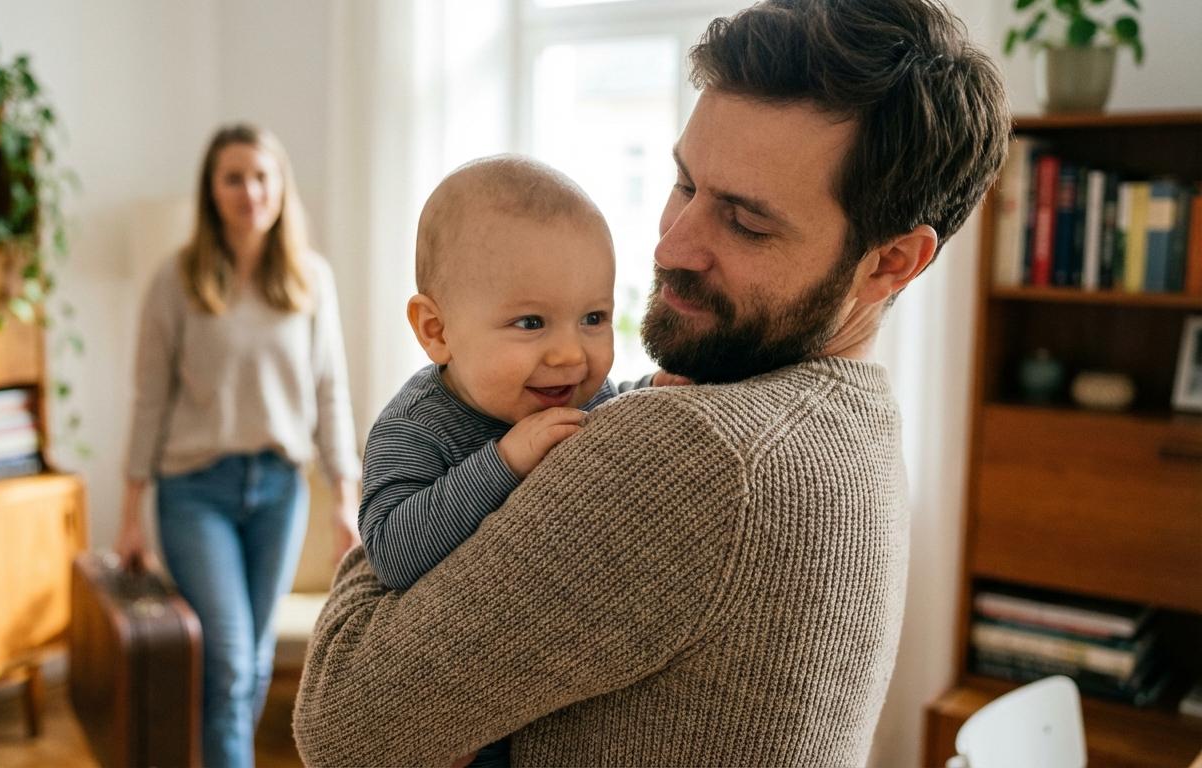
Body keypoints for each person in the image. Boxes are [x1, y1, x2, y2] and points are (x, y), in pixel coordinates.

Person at [292, 0, 1010, 765]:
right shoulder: (855, 419)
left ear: (891, 262)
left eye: (746, 222)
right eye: (683, 182)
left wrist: (454, 410)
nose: (672, 242)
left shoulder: (696, 454)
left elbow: (341, 724)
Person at [360, 155, 662, 767]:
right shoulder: (415, 427)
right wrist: (502, 462)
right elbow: (390, 552)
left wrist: (652, 395)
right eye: (530, 322)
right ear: (437, 330)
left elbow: (614, 418)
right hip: (451, 714)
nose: (569, 354)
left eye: (593, 319)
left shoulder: (582, 394)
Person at [117, 124, 360, 768]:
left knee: (248, 664)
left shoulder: (310, 280)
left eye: (261, 176)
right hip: (195, 494)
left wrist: (346, 497)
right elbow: (149, 402)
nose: (249, 191)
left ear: (280, 187)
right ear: (211, 190)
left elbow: (330, 391)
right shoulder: (177, 281)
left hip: (280, 492)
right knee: (227, 658)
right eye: (233, 178)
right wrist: (128, 516)